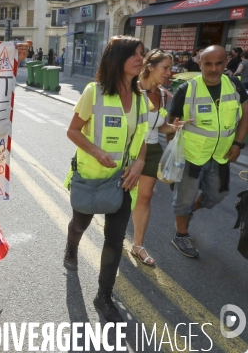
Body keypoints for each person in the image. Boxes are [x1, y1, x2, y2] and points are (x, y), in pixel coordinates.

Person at [63, 36, 149, 322]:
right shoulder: (93, 92)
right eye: (135, 54)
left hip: (122, 181)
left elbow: (143, 138)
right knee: (79, 224)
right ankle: (71, 244)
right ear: (118, 58)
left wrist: (139, 162)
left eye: (143, 54)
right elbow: (73, 131)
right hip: (90, 178)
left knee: (114, 239)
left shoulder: (141, 98)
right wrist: (96, 151)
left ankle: (104, 295)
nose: (141, 58)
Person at [167, 45, 248, 258]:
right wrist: (173, 150)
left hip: (221, 156)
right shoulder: (187, 89)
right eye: (208, 63)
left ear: (226, 62)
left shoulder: (235, 86)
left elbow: (246, 114)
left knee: (217, 196)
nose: (213, 69)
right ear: (200, 63)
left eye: (219, 63)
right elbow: (170, 123)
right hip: (191, 157)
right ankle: (181, 234)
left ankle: (190, 210)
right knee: (183, 200)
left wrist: (238, 144)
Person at [131, 49, 190, 266]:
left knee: (144, 197)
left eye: (170, 68)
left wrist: (173, 127)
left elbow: (159, 126)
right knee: (120, 197)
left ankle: (138, 245)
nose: (169, 72)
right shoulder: (131, 90)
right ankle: (112, 238)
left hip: (153, 149)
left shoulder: (164, 95)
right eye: (165, 68)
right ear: (150, 67)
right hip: (129, 149)